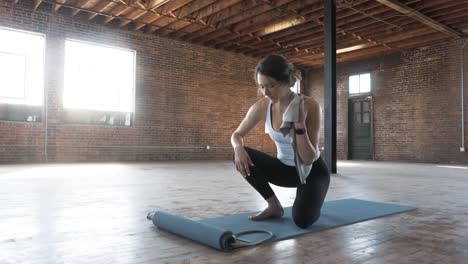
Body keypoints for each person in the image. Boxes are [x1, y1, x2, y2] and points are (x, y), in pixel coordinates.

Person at [231, 55, 330, 229]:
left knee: (302, 221)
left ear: (286, 81)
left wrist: (299, 126)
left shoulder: (310, 106)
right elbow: (237, 135)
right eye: (262, 86)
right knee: (239, 154)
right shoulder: (262, 107)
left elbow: (308, 159)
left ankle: (313, 198)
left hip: (312, 172)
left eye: (271, 85)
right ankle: (274, 206)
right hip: (284, 170)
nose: (266, 92)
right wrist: (238, 148)